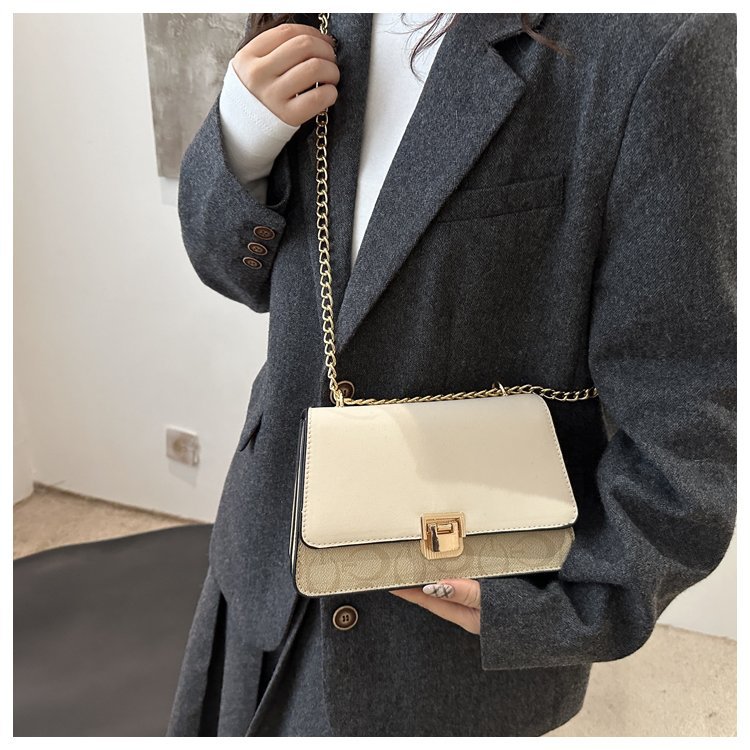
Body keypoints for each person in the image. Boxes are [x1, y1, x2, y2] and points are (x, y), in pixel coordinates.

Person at [166, 13, 737, 737]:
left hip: (448, 620)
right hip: (267, 552)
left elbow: (685, 402)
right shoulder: (323, 17)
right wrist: (242, 139)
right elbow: (243, 277)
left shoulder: (654, 39)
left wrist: (570, 600)